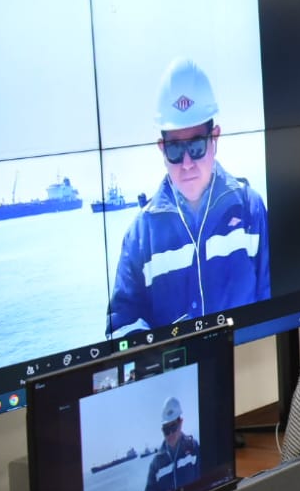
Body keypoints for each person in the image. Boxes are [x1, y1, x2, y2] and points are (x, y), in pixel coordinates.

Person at [107, 58, 272, 338]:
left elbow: (273, 306)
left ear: (215, 138)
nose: (186, 163)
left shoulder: (251, 210)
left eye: (196, 146)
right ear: (162, 148)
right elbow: (121, 326)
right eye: (175, 149)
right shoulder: (140, 236)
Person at [145, 396, 199, 491]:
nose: (170, 434)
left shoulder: (193, 448)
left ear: (181, 423)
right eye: (166, 430)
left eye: (173, 428)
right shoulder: (155, 465)